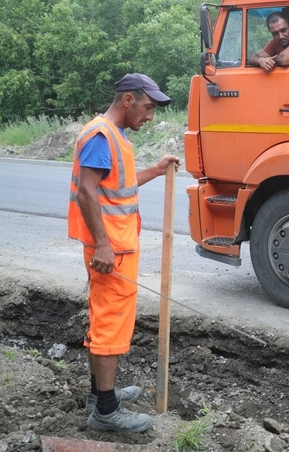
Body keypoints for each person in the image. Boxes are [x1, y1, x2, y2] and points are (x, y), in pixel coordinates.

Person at [67, 73, 180, 433]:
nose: (150, 116)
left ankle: (98, 395)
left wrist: (156, 170)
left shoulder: (113, 135)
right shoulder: (101, 136)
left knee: (104, 319)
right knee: (110, 326)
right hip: (110, 250)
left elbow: (118, 186)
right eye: (147, 107)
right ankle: (105, 411)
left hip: (115, 246)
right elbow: (87, 192)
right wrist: (103, 244)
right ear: (128, 101)